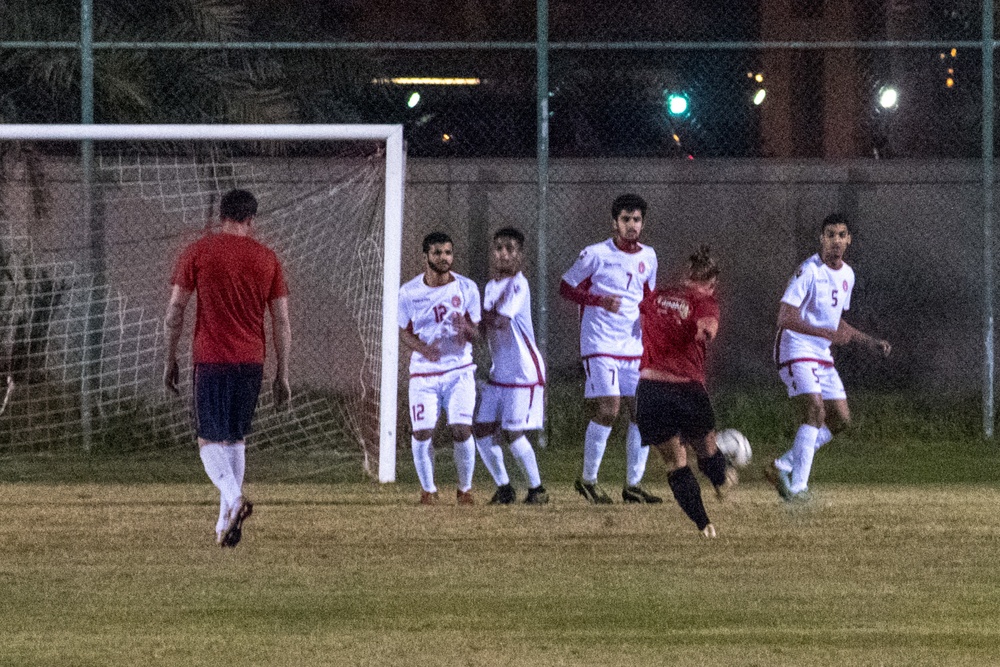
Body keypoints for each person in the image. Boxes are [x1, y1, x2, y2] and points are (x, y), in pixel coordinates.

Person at [164, 189, 291, 548]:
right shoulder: (267, 258)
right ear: (252, 219)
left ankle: (234, 501)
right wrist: (282, 373)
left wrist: (169, 358)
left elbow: (175, 312)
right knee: (235, 439)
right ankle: (224, 524)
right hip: (252, 360)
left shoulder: (198, 251)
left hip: (211, 358)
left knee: (208, 439)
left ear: (221, 216)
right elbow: (281, 321)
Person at [767, 213, 892, 501]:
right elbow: (785, 317)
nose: (836, 241)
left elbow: (835, 322)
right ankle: (798, 489)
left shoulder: (847, 275)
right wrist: (824, 333)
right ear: (821, 239)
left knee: (841, 420)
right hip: (795, 348)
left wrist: (869, 341)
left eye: (841, 235)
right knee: (814, 411)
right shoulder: (809, 271)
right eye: (830, 235)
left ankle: (783, 465)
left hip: (820, 353)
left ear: (849, 240)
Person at [560, 193, 660, 504]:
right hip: (600, 342)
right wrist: (597, 300)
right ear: (614, 222)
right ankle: (588, 480)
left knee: (641, 413)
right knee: (608, 409)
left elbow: (648, 297)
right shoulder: (595, 254)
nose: (632, 225)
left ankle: (633, 485)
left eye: (637, 219)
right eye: (626, 219)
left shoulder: (649, 256)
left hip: (632, 345)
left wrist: (651, 325)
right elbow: (566, 286)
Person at [635, 245, 728, 538]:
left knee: (675, 462)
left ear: (685, 275)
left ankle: (704, 525)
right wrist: (705, 331)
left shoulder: (653, 298)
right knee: (708, 451)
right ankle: (722, 483)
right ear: (711, 283)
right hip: (686, 390)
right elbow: (708, 327)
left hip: (649, 389)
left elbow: (644, 322)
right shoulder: (705, 301)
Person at [398, 231, 481, 505]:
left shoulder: (467, 288)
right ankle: (428, 490)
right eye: (437, 253)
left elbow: (477, 333)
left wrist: (465, 328)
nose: (444, 258)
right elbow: (405, 333)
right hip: (424, 373)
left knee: (461, 429)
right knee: (422, 433)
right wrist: (423, 349)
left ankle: (465, 490)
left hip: (460, 369)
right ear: (425, 257)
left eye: (447, 252)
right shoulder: (409, 292)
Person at [473, 228, 548, 505]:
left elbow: (501, 320)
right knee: (481, 431)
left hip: (523, 373)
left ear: (520, 255)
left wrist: (475, 319)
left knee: (513, 433)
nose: (504, 254)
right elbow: (484, 330)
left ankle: (537, 489)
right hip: (499, 374)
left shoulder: (519, 284)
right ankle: (504, 487)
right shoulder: (491, 287)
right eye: (499, 248)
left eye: (510, 248)